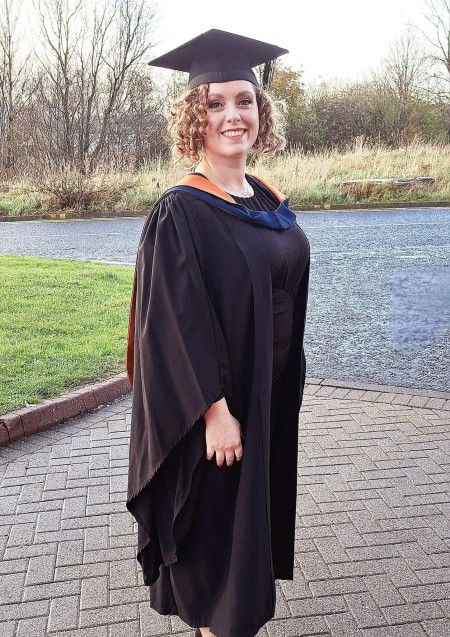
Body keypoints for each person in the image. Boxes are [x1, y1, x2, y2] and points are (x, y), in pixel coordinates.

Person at [126, 29, 310, 637]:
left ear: (262, 110)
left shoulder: (263, 199)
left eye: (245, 100)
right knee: (218, 571)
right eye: (216, 103)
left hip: (266, 399)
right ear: (193, 116)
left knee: (243, 555)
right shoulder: (181, 210)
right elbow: (172, 325)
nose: (233, 115)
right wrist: (213, 413)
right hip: (222, 416)